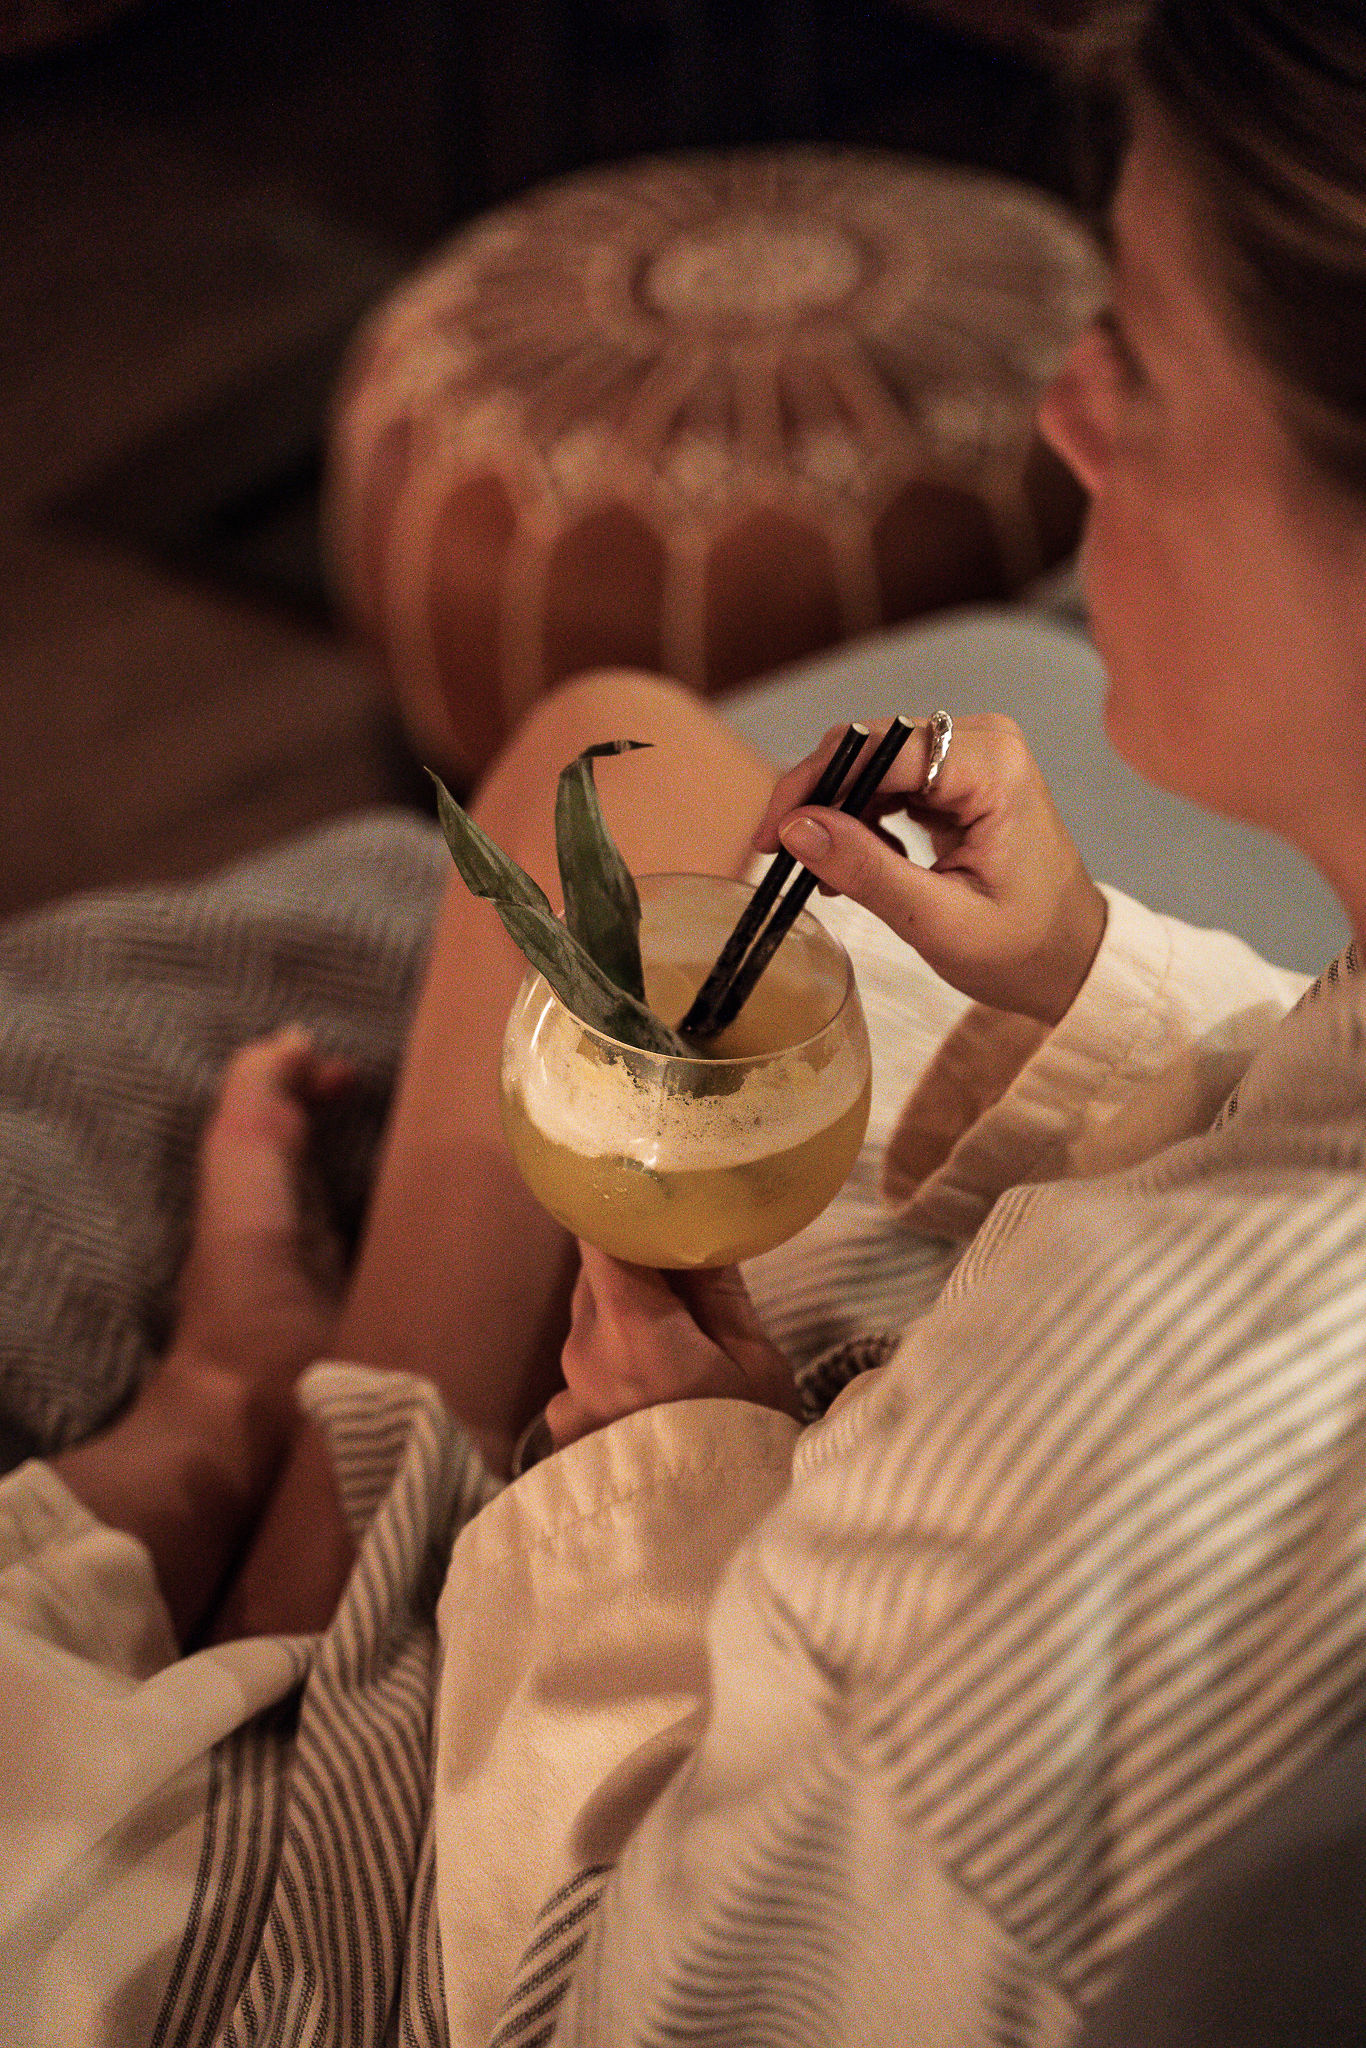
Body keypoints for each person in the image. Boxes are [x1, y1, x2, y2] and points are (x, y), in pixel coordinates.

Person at [5, 0, 1366, 2040]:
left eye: (1144, 367)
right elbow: (1306, 1109)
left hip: (511, 1888)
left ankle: (239, 1456)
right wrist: (1076, 969)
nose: (1061, 408)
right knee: (623, 769)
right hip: (947, 1432)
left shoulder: (1079, 1499)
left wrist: (669, 1473)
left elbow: (623, 1990)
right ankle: (301, 1443)